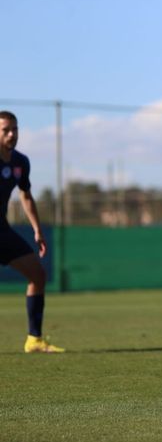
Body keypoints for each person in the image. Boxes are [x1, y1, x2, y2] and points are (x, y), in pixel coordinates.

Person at [0, 111, 64, 353]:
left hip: (2, 232)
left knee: (37, 275)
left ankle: (34, 340)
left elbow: (25, 195)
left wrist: (37, 229)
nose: (11, 134)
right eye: (6, 129)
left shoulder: (20, 162)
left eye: (15, 129)